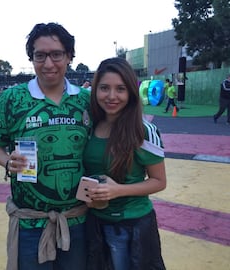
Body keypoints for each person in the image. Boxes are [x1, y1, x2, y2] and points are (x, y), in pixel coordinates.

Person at [0, 22, 92, 270]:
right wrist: (7, 161)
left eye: (56, 54)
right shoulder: (12, 98)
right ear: (31, 58)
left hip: (77, 220)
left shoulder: (85, 99)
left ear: (69, 57)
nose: (48, 63)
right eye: (40, 55)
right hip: (29, 223)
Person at [83, 57, 166, 270]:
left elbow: (158, 181)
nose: (111, 96)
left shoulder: (143, 130)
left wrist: (118, 190)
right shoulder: (88, 125)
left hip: (131, 226)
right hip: (92, 222)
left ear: (130, 92)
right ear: (95, 90)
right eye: (104, 88)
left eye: (120, 89)